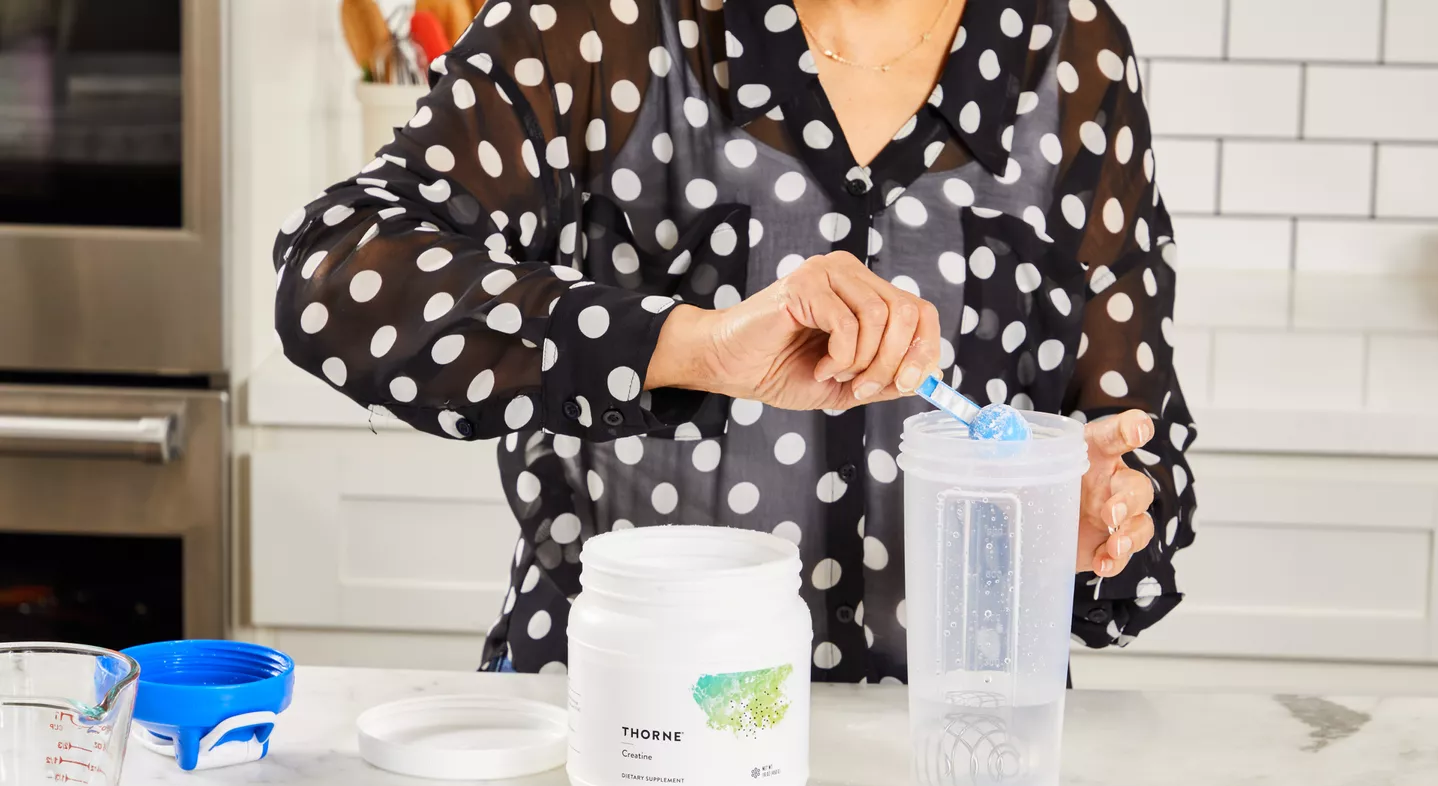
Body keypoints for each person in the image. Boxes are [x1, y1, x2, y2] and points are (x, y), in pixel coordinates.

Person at [273, 0, 1196, 681]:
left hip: (957, 762)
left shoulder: (1075, 53)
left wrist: (1100, 517)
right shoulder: (602, 25)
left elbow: (1140, 450)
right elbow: (335, 272)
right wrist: (693, 346)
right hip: (623, 729)